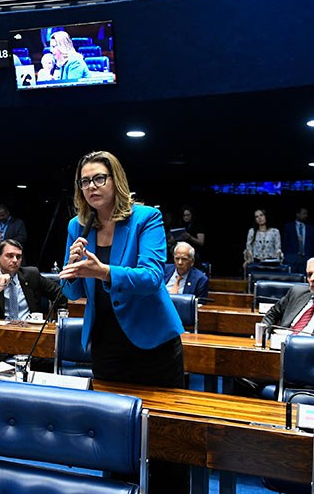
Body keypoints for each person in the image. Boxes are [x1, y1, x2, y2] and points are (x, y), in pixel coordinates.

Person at [58, 151, 187, 493]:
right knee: (113, 431)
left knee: (163, 435)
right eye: (84, 181)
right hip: (105, 342)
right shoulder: (77, 225)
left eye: (99, 178)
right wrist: (71, 269)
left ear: (116, 181)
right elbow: (71, 291)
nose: (91, 186)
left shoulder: (147, 218)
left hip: (153, 343)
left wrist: (103, 271)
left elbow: (151, 277)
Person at [0, 239, 66, 321]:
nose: (15, 260)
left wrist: (58, 322)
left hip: (30, 330)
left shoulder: (32, 275)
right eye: (10, 256)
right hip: (0, 333)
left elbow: (60, 293)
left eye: (18, 257)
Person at [282, 207, 314, 272]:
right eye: (304, 213)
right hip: (291, 259)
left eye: (306, 214)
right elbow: (284, 243)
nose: (306, 215)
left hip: (306, 259)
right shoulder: (288, 226)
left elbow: (313, 244)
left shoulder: (311, 228)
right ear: (297, 214)